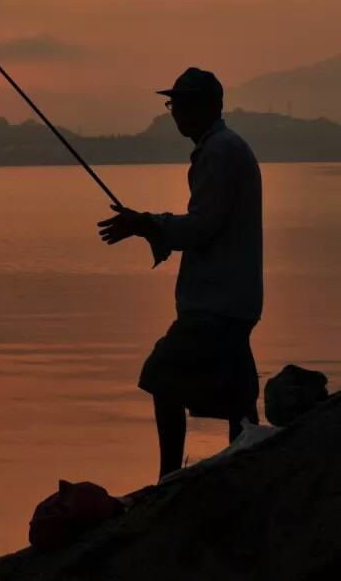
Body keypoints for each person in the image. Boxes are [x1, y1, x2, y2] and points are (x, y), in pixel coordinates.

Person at [97, 67, 263, 480]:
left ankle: (167, 478)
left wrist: (148, 224)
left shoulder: (219, 152)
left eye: (183, 105)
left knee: (161, 376)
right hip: (236, 298)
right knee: (237, 396)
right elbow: (207, 226)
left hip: (216, 300)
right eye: (173, 105)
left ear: (209, 107)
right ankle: (247, 471)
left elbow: (203, 225)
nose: (176, 113)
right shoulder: (225, 148)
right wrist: (152, 229)